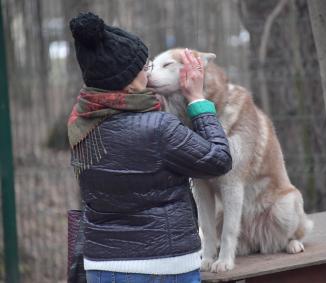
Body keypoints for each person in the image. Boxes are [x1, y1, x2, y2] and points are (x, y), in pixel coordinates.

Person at [67, 12, 232, 283]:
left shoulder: (80, 122)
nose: (149, 70)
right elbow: (219, 160)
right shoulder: (157, 128)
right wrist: (198, 101)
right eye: (145, 65)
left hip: (101, 266)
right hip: (164, 267)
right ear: (131, 78)